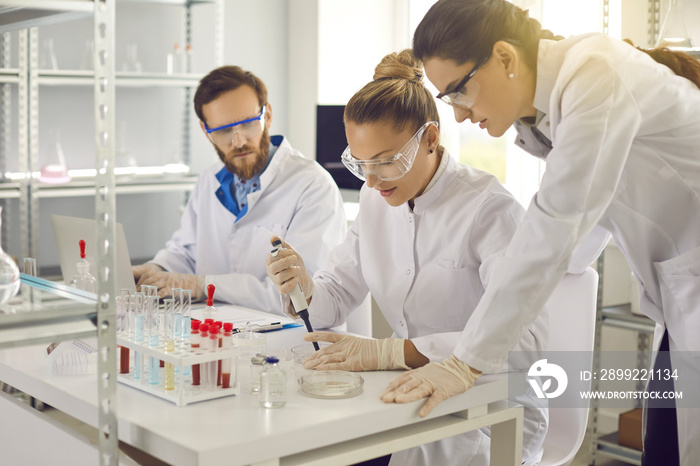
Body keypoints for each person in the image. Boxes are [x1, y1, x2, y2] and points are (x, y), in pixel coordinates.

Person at [380, 0, 700, 463]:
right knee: (667, 449)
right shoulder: (551, 113)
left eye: (458, 92)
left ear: (505, 58)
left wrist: (463, 362)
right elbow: (576, 231)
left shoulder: (596, 74)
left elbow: (558, 226)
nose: (460, 116)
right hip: (681, 298)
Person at [266, 50, 548, 466]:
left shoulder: (489, 211)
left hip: (491, 413)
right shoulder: (375, 196)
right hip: (407, 399)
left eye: (385, 162)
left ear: (431, 139)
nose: (372, 179)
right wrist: (304, 286)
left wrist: (394, 352)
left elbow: (526, 346)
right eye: (360, 164)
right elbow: (336, 294)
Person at [133, 65, 347, 312]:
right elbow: (185, 252)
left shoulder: (312, 185)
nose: (239, 141)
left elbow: (304, 294)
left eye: (247, 124)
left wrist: (204, 285)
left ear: (266, 116)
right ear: (206, 131)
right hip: (221, 336)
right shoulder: (209, 181)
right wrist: (157, 270)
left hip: (295, 341)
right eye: (223, 131)